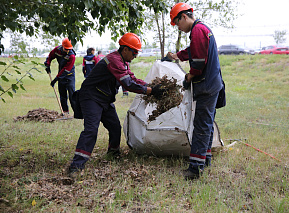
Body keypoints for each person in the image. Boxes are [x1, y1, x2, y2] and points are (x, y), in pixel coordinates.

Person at [67, 33, 167, 177]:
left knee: (115, 127)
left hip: (104, 99)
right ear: (125, 49)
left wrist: (151, 85)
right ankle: (76, 166)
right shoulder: (114, 60)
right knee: (91, 131)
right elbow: (127, 84)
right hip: (91, 97)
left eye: (137, 52)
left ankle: (113, 154)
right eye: (134, 52)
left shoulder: (122, 61)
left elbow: (132, 78)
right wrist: (151, 91)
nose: (136, 55)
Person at [167, 2, 224, 180]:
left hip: (206, 85)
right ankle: (205, 159)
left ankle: (194, 170)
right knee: (206, 123)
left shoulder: (197, 31)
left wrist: (189, 76)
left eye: (177, 23)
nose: (178, 28)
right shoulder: (202, 29)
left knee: (201, 125)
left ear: (184, 17)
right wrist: (178, 56)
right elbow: (194, 50)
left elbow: (198, 62)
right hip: (212, 83)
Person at [44, 38, 76, 115]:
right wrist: (47, 64)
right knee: (62, 95)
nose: (68, 50)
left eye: (69, 49)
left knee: (72, 95)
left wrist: (56, 79)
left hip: (69, 75)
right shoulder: (57, 50)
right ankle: (65, 112)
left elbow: (66, 70)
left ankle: (77, 113)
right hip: (61, 74)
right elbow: (50, 56)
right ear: (62, 46)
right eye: (66, 49)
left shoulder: (72, 56)